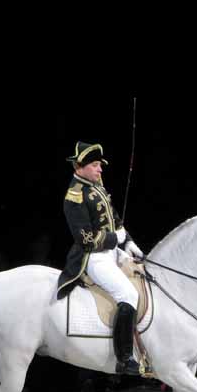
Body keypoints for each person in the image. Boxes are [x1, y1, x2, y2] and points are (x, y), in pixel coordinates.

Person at [57, 141, 144, 376]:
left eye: (99, 165)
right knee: (128, 294)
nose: (100, 169)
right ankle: (124, 358)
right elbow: (86, 238)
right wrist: (116, 240)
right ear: (80, 166)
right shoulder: (75, 196)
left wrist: (129, 242)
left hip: (114, 251)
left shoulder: (97, 187)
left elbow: (115, 218)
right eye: (95, 165)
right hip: (93, 258)